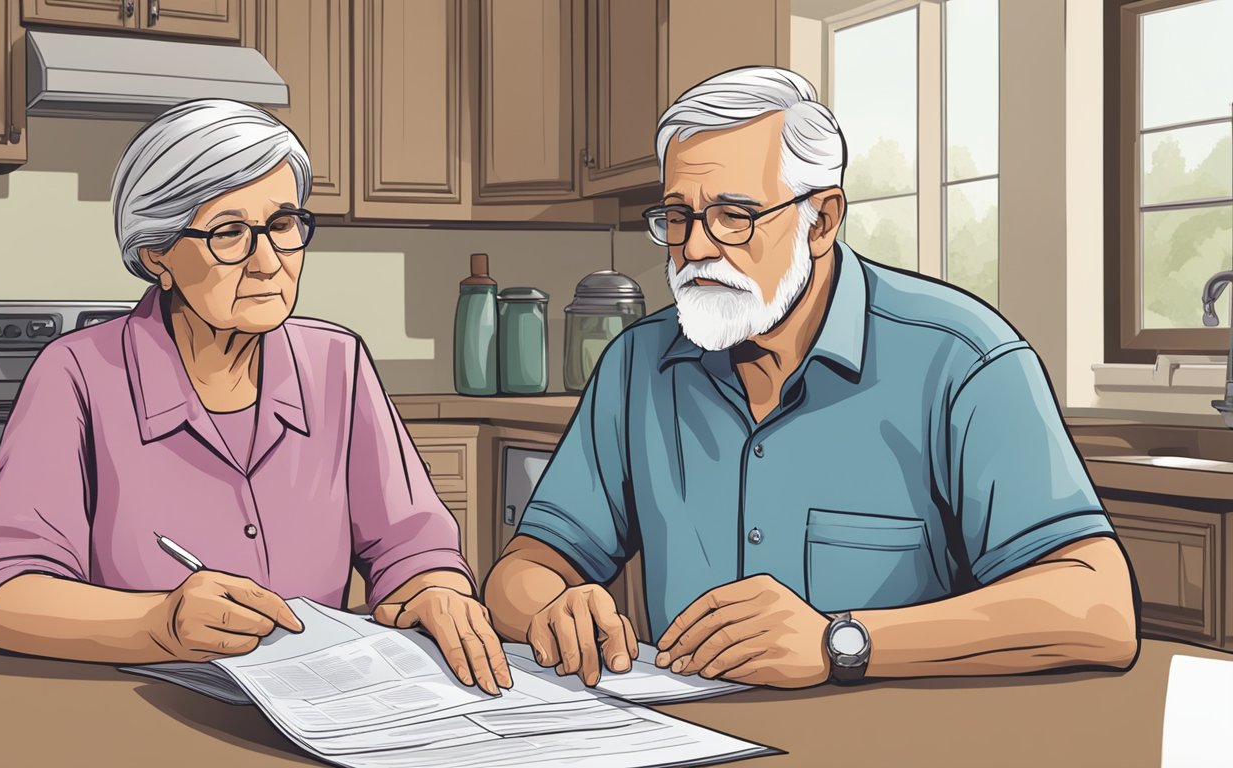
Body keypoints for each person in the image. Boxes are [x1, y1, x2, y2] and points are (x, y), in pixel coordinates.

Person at [484, 67, 1138, 689]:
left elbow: (1097, 606)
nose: (697, 248)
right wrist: (553, 608)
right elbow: (526, 568)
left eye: (734, 215)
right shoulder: (638, 366)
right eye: (678, 217)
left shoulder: (963, 359)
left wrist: (841, 643)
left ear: (820, 220)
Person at [0, 99, 511, 695]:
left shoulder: (337, 363)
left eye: (282, 225)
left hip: (321, 702)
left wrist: (434, 589)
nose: (269, 262)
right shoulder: (77, 373)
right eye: (228, 234)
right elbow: (2, 595)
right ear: (156, 257)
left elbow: (411, 545)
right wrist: (156, 624)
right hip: (140, 706)